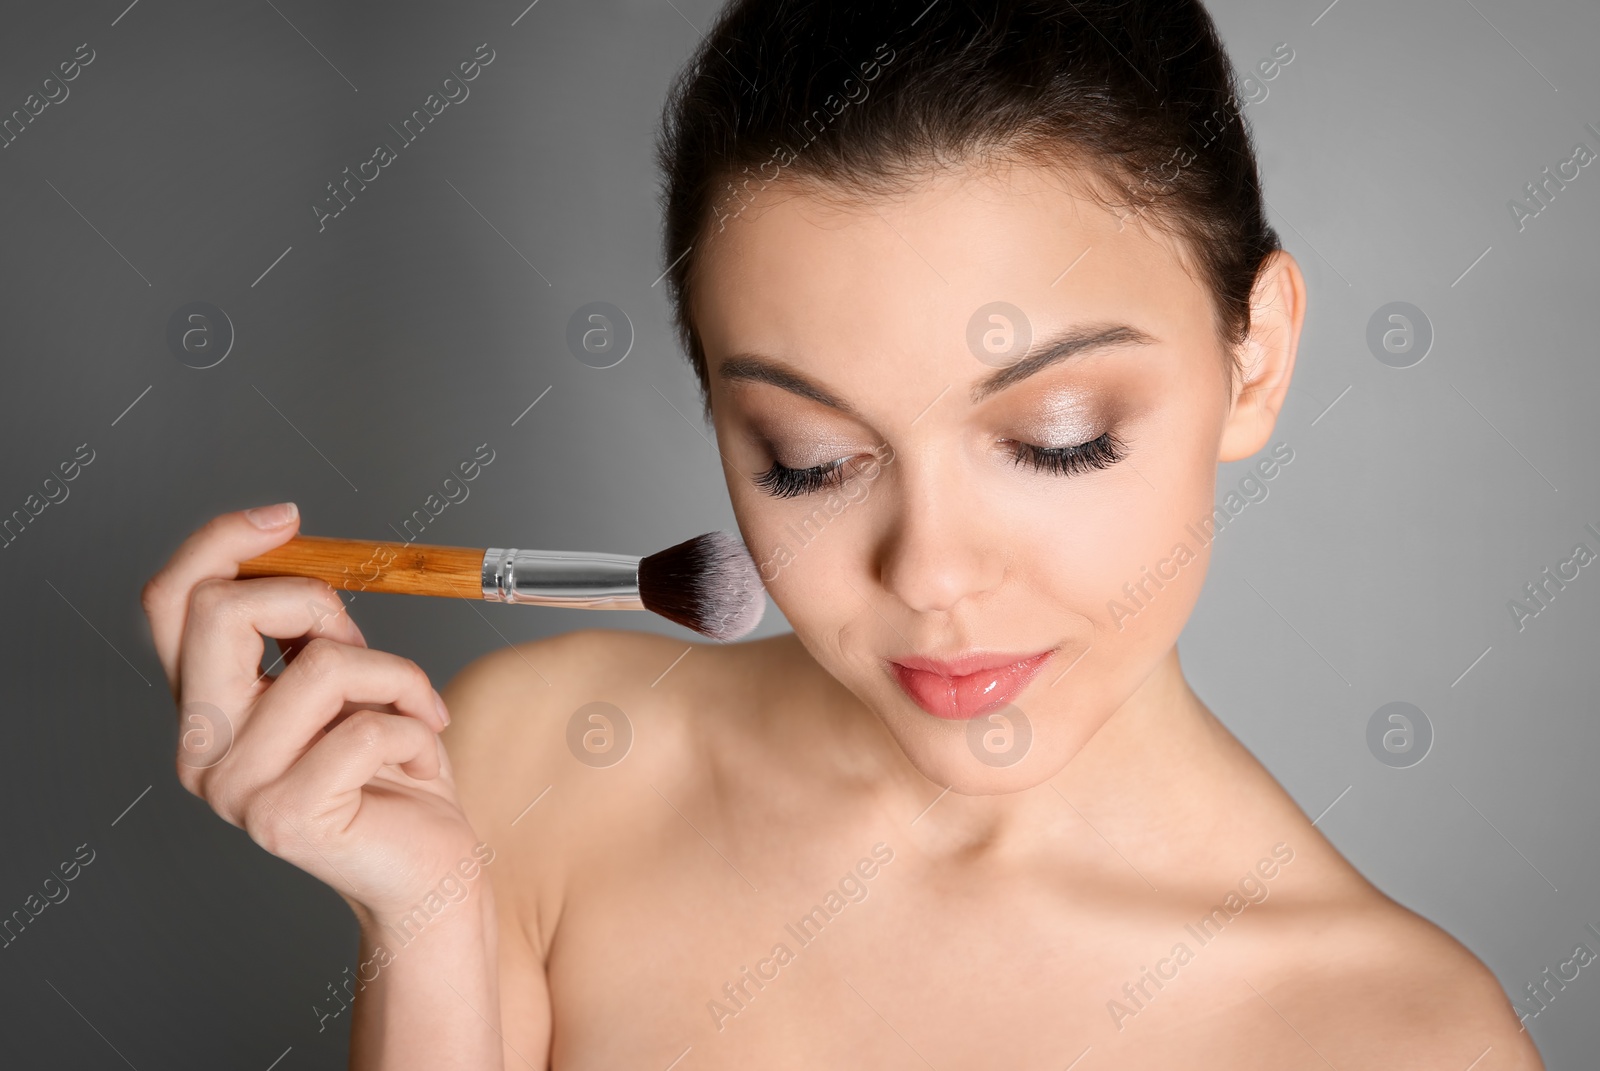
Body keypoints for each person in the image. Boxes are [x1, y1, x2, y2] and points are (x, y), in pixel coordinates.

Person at [141, 1, 1543, 1067]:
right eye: (807, 461)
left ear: (1255, 358)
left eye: (1057, 437)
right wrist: (427, 919)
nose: (928, 573)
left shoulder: (1397, 1035)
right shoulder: (536, 768)